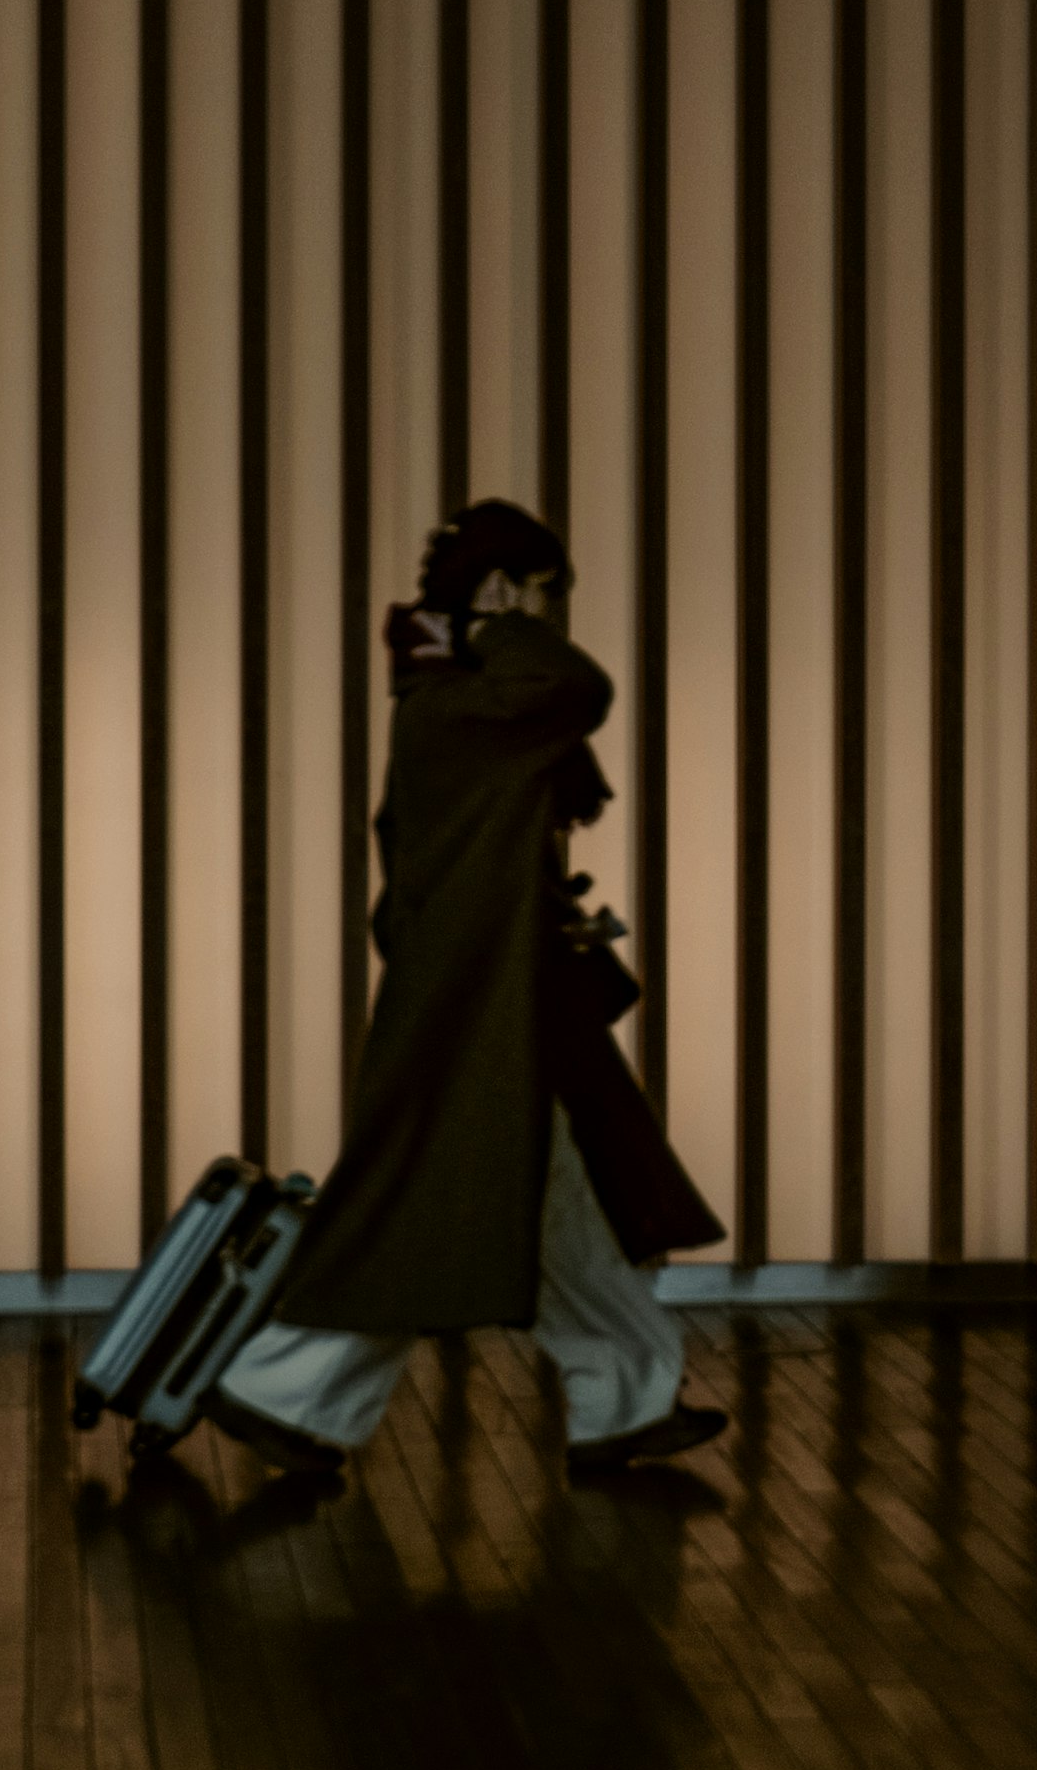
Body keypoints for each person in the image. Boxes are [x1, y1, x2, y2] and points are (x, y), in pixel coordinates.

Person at [209, 499, 728, 1477]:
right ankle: (279, 1393)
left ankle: (624, 1401)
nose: (553, 616)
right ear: (504, 591)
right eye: (542, 591)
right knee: (436, 1207)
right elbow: (578, 685)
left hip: (502, 1002)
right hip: (476, 1008)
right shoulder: (464, 705)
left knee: (563, 1208)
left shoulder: (445, 701)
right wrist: (499, 619)